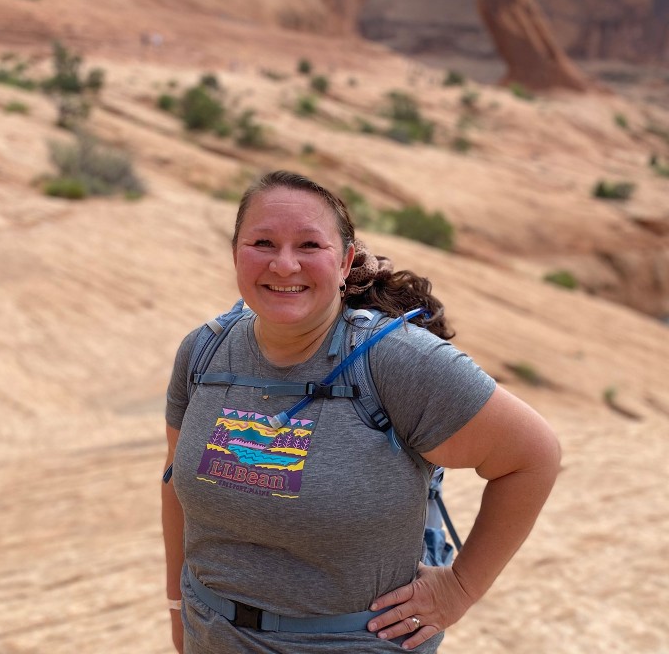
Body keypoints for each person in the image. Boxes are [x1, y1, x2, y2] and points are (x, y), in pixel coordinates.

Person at [162, 170, 561, 653]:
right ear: (235, 253)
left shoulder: (395, 360)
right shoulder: (205, 353)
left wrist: (459, 589)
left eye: (309, 245)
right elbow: (175, 484)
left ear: (346, 260)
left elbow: (532, 456)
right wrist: (177, 607)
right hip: (215, 636)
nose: (284, 265)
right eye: (262, 242)